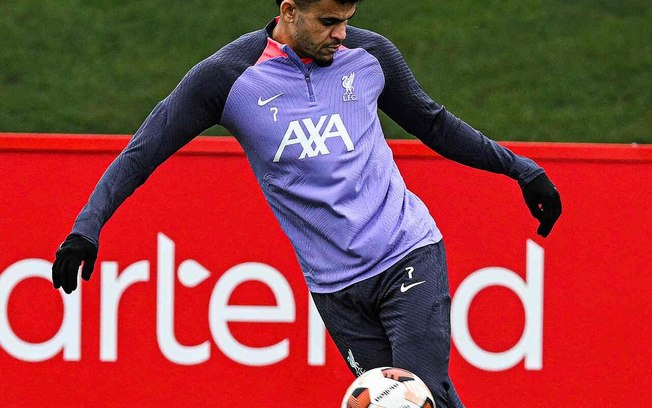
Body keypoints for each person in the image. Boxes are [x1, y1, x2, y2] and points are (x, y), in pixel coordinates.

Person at [51, 0, 562, 406]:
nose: (341, 34)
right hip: (336, 291)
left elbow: (432, 122)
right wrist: (86, 228)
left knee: (412, 398)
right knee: (419, 402)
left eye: (347, 21)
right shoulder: (228, 78)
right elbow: (144, 152)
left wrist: (521, 169)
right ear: (288, 10)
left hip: (407, 255)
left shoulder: (371, 57)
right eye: (328, 22)